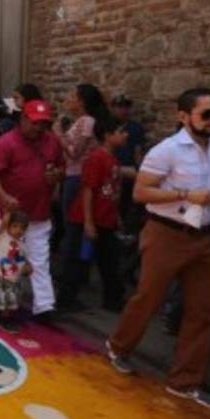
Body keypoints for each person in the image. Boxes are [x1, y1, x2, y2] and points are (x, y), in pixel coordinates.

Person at [105, 87, 210, 410]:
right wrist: (184, 194)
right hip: (167, 234)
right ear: (183, 116)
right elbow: (141, 193)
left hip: (206, 238)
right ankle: (118, 347)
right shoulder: (166, 150)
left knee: (203, 311)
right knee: (149, 298)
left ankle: (185, 381)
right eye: (207, 114)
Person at [0, 99, 64, 320]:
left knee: (39, 258)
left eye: (44, 123)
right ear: (23, 119)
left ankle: (44, 305)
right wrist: (3, 196)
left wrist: (57, 175)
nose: (39, 128)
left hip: (39, 212)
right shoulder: (6, 142)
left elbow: (61, 167)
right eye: (35, 122)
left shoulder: (52, 143)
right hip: (9, 215)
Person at [58, 116, 128, 312]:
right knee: (77, 260)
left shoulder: (112, 158)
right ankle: (66, 298)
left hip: (105, 219)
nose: (125, 135)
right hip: (87, 219)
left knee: (109, 261)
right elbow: (88, 189)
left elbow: (112, 191)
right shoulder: (97, 158)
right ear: (108, 135)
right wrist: (88, 221)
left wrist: (117, 217)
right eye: (121, 131)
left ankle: (112, 299)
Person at [58, 83, 109, 218]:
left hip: (78, 175)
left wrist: (58, 134)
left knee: (71, 220)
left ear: (81, 102)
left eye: (73, 96)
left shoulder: (86, 121)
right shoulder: (80, 121)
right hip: (72, 175)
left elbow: (75, 152)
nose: (69, 99)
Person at [0, 209, 32, 331]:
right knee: (7, 299)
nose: (18, 230)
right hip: (1, 276)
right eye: (15, 226)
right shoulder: (2, 237)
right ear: (9, 226)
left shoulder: (22, 246)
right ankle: (4, 320)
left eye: (22, 228)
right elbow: (3, 224)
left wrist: (28, 267)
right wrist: (8, 211)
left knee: (11, 299)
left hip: (13, 278)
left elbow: (23, 260)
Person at [111, 94, 146, 233]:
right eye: (120, 107)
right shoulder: (109, 126)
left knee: (128, 205)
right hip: (111, 169)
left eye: (126, 107)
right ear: (113, 108)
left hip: (128, 170)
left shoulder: (135, 128)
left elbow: (138, 151)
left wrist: (139, 172)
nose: (124, 110)